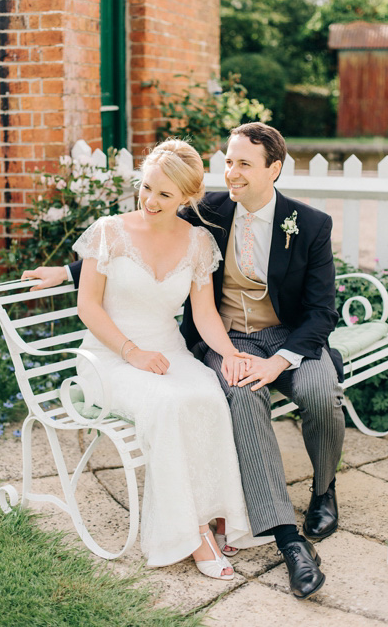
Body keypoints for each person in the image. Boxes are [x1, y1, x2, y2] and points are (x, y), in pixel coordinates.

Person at [24, 123, 342, 599]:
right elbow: (127, 242)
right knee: (234, 393)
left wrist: (277, 361)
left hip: (287, 337)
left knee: (317, 392)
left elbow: (320, 311)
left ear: (273, 169)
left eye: (243, 165)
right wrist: (68, 272)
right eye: (228, 161)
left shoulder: (308, 224)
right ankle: (280, 534)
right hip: (203, 340)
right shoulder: (209, 207)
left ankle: (323, 489)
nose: (231, 172)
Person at [69, 138, 255, 579]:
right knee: (170, 407)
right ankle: (194, 533)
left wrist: (230, 353)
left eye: (165, 195)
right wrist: (131, 353)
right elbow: (88, 307)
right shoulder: (108, 232)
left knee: (211, 396)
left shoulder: (198, 243)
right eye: (147, 187)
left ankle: (217, 509)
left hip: (168, 353)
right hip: (108, 359)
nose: (151, 201)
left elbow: (205, 313)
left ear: (187, 199)